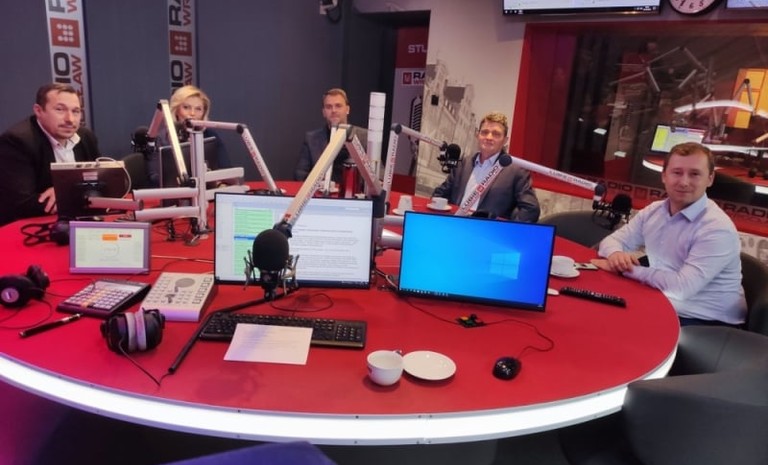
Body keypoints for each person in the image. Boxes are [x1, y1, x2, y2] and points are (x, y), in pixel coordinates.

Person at [595, 141, 747, 327]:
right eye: (677, 172)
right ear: (664, 176)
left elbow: (681, 288)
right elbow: (612, 241)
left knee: (613, 326)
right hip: (664, 301)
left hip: (707, 322)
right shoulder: (654, 211)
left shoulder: (717, 228)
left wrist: (625, 270)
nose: (684, 182)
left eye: (694, 174)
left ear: (710, 179)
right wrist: (616, 255)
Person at [0, 83, 100, 226]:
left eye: (76, 111)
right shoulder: (17, 142)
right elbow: (21, 204)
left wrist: (65, 192)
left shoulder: (85, 137)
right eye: (60, 109)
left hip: (77, 221)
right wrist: (79, 194)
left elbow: (103, 182)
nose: (70, 119)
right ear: (39, 111)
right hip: (27, 226)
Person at [432, 111, 540, 222]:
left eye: (496, 134)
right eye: (484, 132)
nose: (489, 137)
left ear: (505, 140)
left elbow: (531, 209)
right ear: (478, 135)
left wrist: (506, 229)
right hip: (455, 224)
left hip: (488, 230)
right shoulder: (464, 163)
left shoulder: (517, 171)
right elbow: (440, 194)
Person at [147, 85, 231, 187]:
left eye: (198, 109)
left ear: (203, 113)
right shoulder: (161, 139)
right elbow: (155, 177)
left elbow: (226, 168)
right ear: (176, 110)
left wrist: (221, 184)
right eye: (186, 107)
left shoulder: (210, 135)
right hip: (173, 193)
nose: (192, 113)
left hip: (206, 192)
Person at [294, 88, 367, 184]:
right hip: (321, 191)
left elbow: (378, 174)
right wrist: (319, 184)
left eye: (338, 106)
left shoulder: (364, 137)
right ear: (324, 112)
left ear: (347, 109)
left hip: (354, 191)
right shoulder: (311, 139)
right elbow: (299, 174)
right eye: (329, 107)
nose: (333, 110)